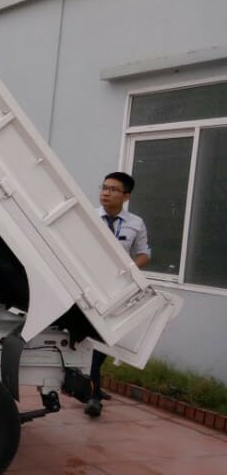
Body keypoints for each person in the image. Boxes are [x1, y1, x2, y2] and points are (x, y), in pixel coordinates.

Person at [86, 171, 150, 417]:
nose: (105, 192)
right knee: (90, 339)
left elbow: (145, 252)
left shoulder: (136, 222)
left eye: (113, 189)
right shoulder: (89, 217)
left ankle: (94, 387)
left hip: (116, 292)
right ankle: (93, 395)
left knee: (104, 339)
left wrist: (131, 268)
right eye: (104, 187)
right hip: (88, 286)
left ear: (126, 196)